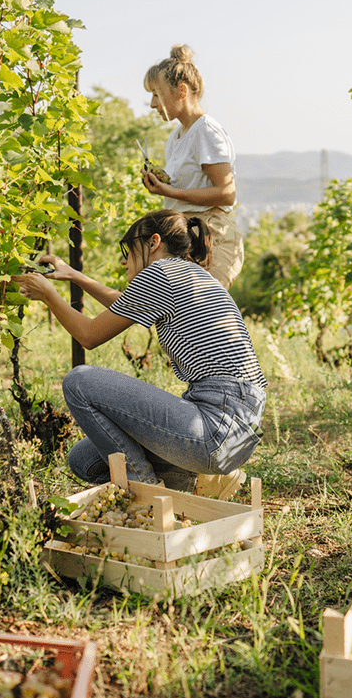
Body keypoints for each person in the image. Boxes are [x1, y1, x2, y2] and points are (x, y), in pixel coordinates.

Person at [14, 209, 266, 492]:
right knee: (85, 459)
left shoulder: (160, 271)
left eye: (129, 250)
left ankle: (146, 492)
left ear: (153, 242)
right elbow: (125, 303)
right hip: (239, 430)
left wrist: (48, 294)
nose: (124, 260)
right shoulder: (191, 275)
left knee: (78, 382)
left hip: (216, 425)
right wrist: (75, 276)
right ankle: (196, 480)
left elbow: (89, 336)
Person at [142, 44, 244, 288]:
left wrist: (171, 192)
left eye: (156, 94)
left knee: (205, 316)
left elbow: (226, 194)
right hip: (187, 236)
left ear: (181, 91)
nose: (152, 104)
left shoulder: (206, 131)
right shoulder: (176, 136)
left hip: (212, 236)